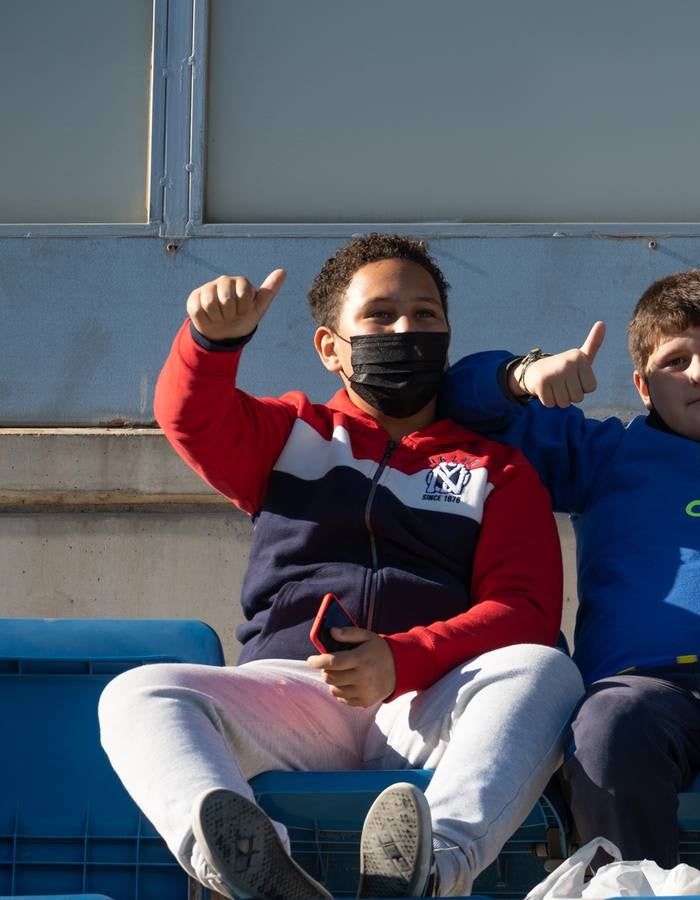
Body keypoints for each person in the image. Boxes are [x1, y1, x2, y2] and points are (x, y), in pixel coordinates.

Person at [99, 234, 584, 899]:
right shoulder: (291, 431)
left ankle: (429, 869)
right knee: (138, 693)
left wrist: (401, 659)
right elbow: (191, 418)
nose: (406, 329)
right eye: (380, 316)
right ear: (331, 347)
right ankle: (250, 870)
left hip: (425, 703)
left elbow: (523, 613)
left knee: (546, 669)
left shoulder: (498, 469)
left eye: (425, 315)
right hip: (294, 693)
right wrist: (210, 344)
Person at [438, 269, 700, 890]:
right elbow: (458, 407)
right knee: (607, 732)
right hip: (636, 684)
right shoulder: (604, 453)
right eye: (676, 360)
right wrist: (522, 375)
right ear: (642, 385)